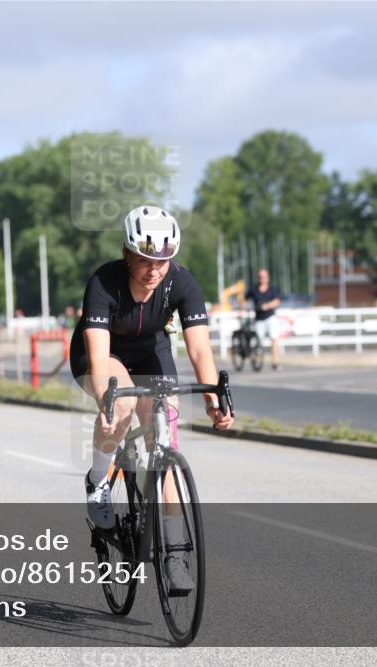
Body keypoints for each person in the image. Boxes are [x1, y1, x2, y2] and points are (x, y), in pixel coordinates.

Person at [70, 205, 234, 593]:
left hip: (150, 352)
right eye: (145, 258)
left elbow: (199, 351)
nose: (155, 268)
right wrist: (104, 402)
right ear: (127, 254)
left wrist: (213, 396)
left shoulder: (183, 283)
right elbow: (97, 355)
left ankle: (175, 555)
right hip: (102, 353)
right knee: (122, 405)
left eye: (163, 259)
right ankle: (98, 482)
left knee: (165, 436)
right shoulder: (103, 283)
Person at [245, 268, 283, 370]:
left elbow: (278, 301)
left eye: (264, 277)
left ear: (267, 277)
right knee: (258, 341)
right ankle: (257, 361)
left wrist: (268, 305)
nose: (262, 279)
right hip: (259, 318)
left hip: (270, 316)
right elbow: (245, 298)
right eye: (261, 277)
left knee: (274, 339)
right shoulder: (254, 289)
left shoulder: (272, 289)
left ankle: (275, 362)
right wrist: (244, 306)